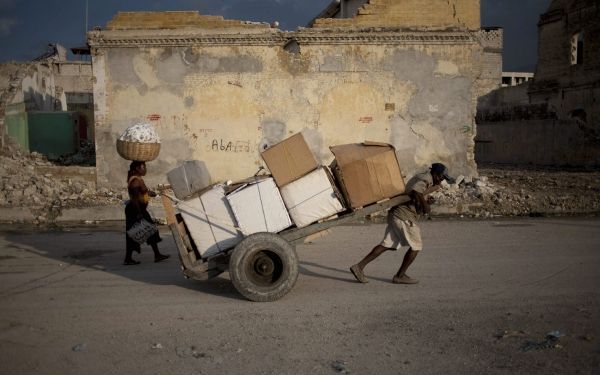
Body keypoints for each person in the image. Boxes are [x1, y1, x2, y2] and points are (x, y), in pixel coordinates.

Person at [349, 163, 454, 284]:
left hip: (397, 214)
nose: (442, 180)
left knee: (387, 245)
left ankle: (359, 267)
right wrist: (426, 207)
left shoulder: (427, 179)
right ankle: (400, 275)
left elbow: (416, 194)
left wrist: (424, 201)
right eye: (441, 177)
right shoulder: (426, 178)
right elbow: (416, 191)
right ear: (436, 174)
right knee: (416, 246)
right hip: (403, 216)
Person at [124, 160, 170, 265]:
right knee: (133, 233)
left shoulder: (139, 179)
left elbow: (141, 192)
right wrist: (139, 213)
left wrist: (149, 193)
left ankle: (157, 255)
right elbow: (135, 199)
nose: (145, 169)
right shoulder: (135, 181)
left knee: (151, 231)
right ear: (137, 169)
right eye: (143, 167)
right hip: (135, 210)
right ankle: (128, 259)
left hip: (140, 209)